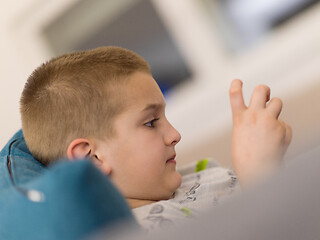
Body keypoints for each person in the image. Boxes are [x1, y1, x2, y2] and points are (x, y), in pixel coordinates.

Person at [20, 46, 292, 230]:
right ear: (92, 158)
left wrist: (273, 158)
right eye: (151, 123)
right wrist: (259, 174)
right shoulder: (135, 230)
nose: (175, 135)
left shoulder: (190, 176)